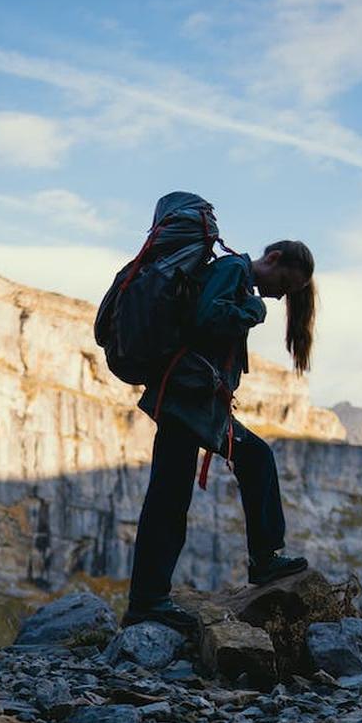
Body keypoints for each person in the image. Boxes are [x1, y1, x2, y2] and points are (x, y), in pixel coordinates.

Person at [124, 239, 317, 633]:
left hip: (196, 404)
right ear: (274, 259)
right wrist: (253, 309)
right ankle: (148, 601)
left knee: (185, 489)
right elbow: (204, 318)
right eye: (285, 283)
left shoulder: (237, 278)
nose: (280, 295)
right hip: (186, 403)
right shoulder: (233, 272)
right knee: (171, 497)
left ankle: (151, 598)